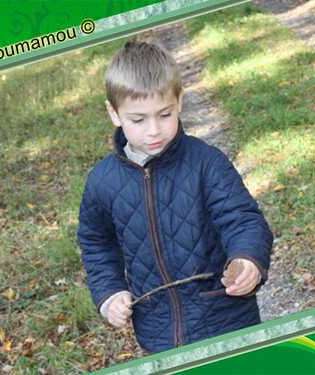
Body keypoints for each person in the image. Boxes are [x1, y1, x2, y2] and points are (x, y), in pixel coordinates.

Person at [77, 40, 273, 354]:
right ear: (114, 113)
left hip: (226, 320)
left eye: (164, 114)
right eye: (138, 120)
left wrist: (247, 260)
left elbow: (243, 221)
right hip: (158, 333)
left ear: (179, 102)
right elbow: (97, 244)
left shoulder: (206, 162)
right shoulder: (102, 181)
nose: (154, 130)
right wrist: (110, 294)